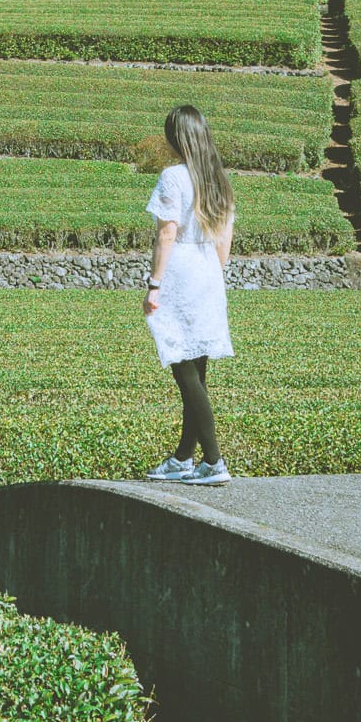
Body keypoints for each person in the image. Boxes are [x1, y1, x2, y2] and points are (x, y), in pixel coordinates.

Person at [142, 103, 234, 485]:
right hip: (209, 274)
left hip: (180, 274)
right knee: (197, 372)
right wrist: (208, 273)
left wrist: (155, 284)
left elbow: (167, 235)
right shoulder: (218, 180)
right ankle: (183, 457)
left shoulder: (173, 177)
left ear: (175, 139)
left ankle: (213, 461)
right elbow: (224, 246)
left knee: (183, 369)